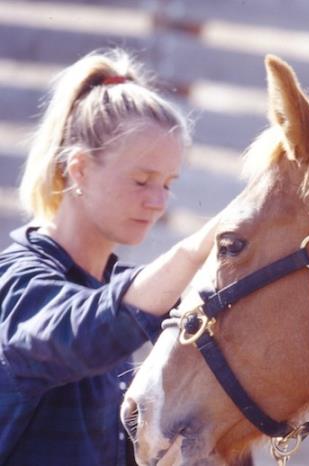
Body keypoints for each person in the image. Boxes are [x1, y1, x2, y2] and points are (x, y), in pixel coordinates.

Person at [0, 49, 220, 465]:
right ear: (79, 169)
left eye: (168, 184)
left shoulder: (108, 286)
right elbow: (82, 331)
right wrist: (193, 252)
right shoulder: (17, 281)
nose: (158, 202)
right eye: (141, 180)